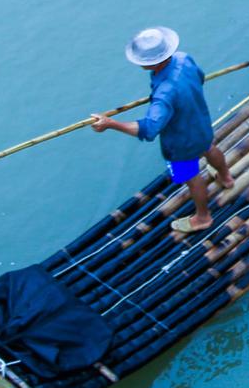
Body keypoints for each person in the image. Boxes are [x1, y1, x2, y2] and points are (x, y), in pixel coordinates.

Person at [88, 27, 235, 233]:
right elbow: (200, 79)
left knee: (192, 177)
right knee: (209, 148)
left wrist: (110, 124)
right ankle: (226, 178)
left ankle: (203, 217)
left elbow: (149, 129)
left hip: (180, 143)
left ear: (151, 63)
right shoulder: (184, 59)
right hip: (200, 123)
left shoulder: (164, 94)